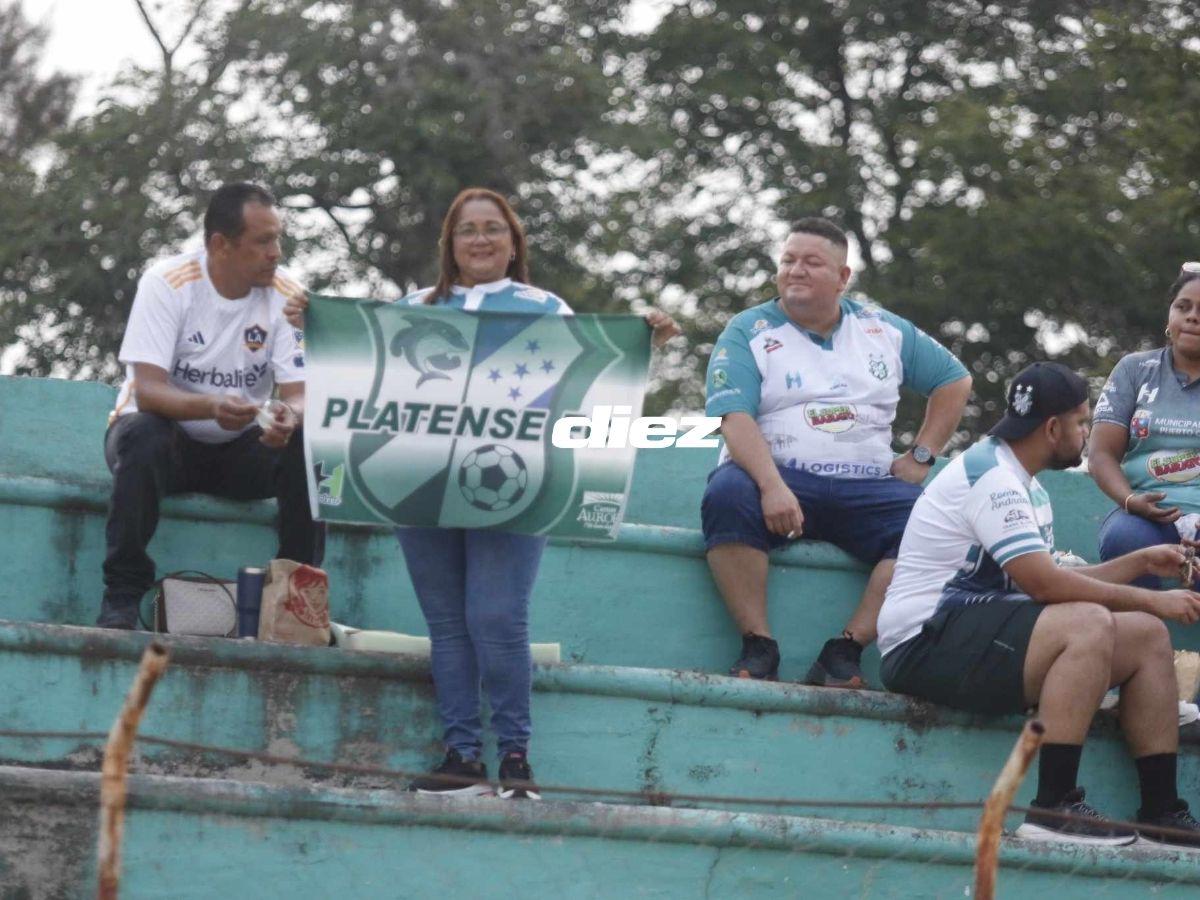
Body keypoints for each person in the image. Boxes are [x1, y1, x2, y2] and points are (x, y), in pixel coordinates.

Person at [284, 187, 679, 800]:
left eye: (494, 228)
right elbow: (363, 372)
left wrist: (640, 339)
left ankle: (516, 760)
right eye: (467, 229)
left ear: (514, 241)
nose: (481, 239)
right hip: (420, 480)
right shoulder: (413, 305)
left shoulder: (547, 307)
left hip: (515, 484)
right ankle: (461, 758)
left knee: (495, 618)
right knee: (448, 624)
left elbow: (587, 377)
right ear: (450, 243)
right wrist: (312, 327)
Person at [877, 362, 1200, 847]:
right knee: (1090, 623)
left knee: (1143, 635)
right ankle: (1053, 808)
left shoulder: (1024, 481)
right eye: (1082, 422)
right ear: (1053, 428)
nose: (1087, 434)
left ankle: (1161, 815)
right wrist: (1157, 601)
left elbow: (1048, 579)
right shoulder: (995, 479)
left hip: (978, 631)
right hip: (924, 643)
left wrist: (1139, 562)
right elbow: (1047, 588)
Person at [702, 217, 971, 686]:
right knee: (727, 491)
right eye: (788, 261)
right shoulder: (747, 329)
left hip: (865, 485)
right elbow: (734, 418)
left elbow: (955, 380)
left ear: (843, 278)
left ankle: (844, 650)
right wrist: (771, 487)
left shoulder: (881, 328)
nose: (796, 271)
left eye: (812, 262)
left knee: (943, 525)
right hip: (781, 480)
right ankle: (758, 645)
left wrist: (922, 456)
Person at [98, 182, 325, 630]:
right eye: (263, 241)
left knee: (309, 443)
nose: (276, 252)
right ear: (220, 244)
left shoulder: (285, 295)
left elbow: (298, 392)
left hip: (239, 451)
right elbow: (148, 391)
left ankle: (294, 603)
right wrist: (209, 405)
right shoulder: (167, 283)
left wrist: (288, 416)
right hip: (166, 445)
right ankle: (122, 597)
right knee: (143, 433)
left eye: (279, 238)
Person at [1091, 265, 1200, 585]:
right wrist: (1129, 501)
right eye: (1183, 307)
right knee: (1124, 540)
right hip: (1146, 516)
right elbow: (1101, 454)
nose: (1192, 317)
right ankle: (1143, 625)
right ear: (1169, 316)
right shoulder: (1134, 369)